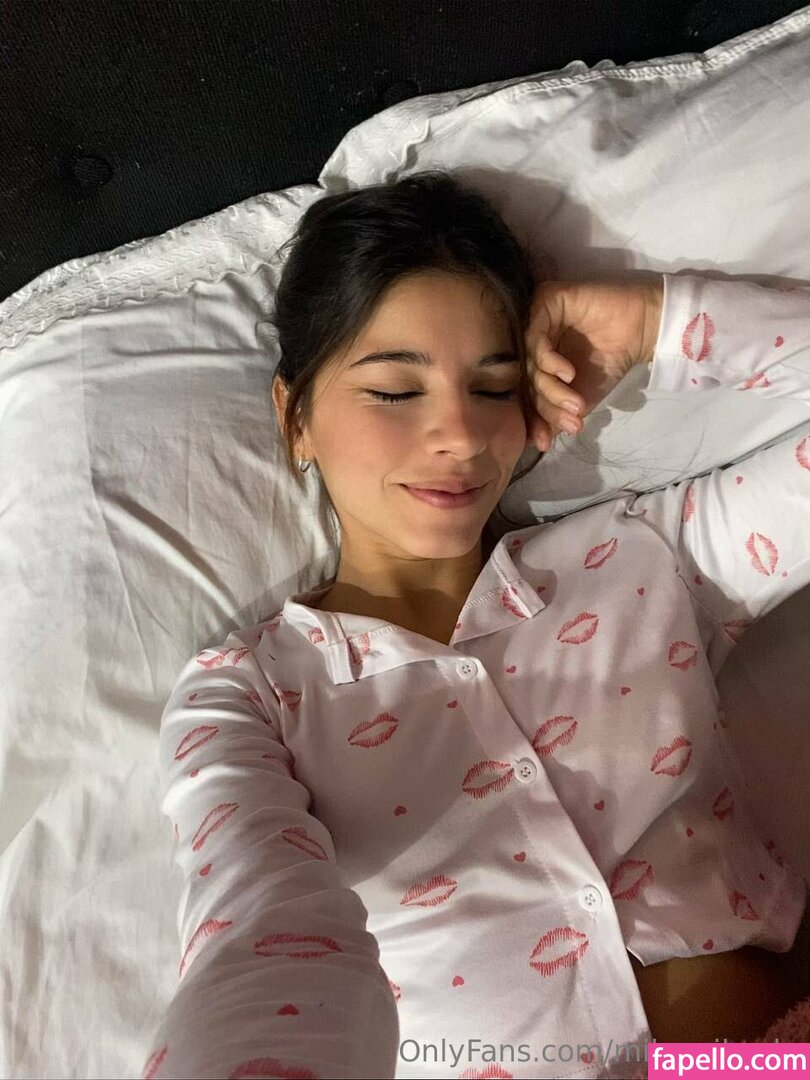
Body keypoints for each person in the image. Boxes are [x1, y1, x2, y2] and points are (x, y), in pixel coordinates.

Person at [142, 170, 810, 1080]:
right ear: (294, 418)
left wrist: (657, 321)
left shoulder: (642, 555)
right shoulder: (249, 695)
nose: (460, 434)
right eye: (394, 391)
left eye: (494, 386)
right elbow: (256, 920)